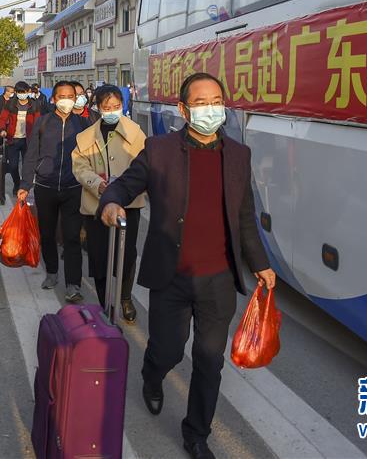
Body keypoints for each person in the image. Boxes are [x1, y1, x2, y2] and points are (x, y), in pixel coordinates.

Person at [99, 72, 277, 459]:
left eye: (216, 100)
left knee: (210, 362)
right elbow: (124, 185)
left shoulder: (238, 156)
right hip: (172, 275)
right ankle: (152, 373)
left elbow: (245, 216)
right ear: (183, 109)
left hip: (218, 280)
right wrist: (111, 202)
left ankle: (196, 434)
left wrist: (259, 263)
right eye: (200, 102)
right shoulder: (159, 150)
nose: (210, 109)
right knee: (169, 350)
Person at [71, 85, 144, 322]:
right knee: (99, 257)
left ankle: (125, 297)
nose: (112, 111)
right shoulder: (85, 137)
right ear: (98, 107)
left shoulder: (136, 133)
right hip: (95, 204)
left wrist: (124, 187)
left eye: (116, 107)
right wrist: (97, 184)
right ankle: (105, 304)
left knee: (128, 255)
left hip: (128, 205)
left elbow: (144, 166)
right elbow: (79, 167)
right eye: (107, 107)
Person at [17, 81, 89, 302]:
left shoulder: (84, 125)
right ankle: (51, 273)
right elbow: (31, 156)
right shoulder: (43, 122)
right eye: (62, 96)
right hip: (45, 187)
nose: (67, 100)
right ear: (54, 99)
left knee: (71, 237)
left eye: (71, 96)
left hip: (73, 188)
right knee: (47, 234)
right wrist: (24, 184)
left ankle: (73, 284)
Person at [0, 82, 40, 196]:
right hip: (13, 139)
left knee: (28, 166)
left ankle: (24, 187)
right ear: (16, 93)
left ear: (28, 92)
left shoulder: (35, 105)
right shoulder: (10, 104)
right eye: (19, 92)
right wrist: (2, 130)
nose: (22, 94)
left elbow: (38, 122)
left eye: (24, 92)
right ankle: (17, 183)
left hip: (28, 141)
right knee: (13, 166)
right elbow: (2, 119)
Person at [0, 85, 14, 152]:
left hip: (10, 122)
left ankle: (8, 152)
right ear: (6, 92)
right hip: (0, 122)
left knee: (10, 138)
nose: (13, 94)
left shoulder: (13, 100)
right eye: (11, 92)